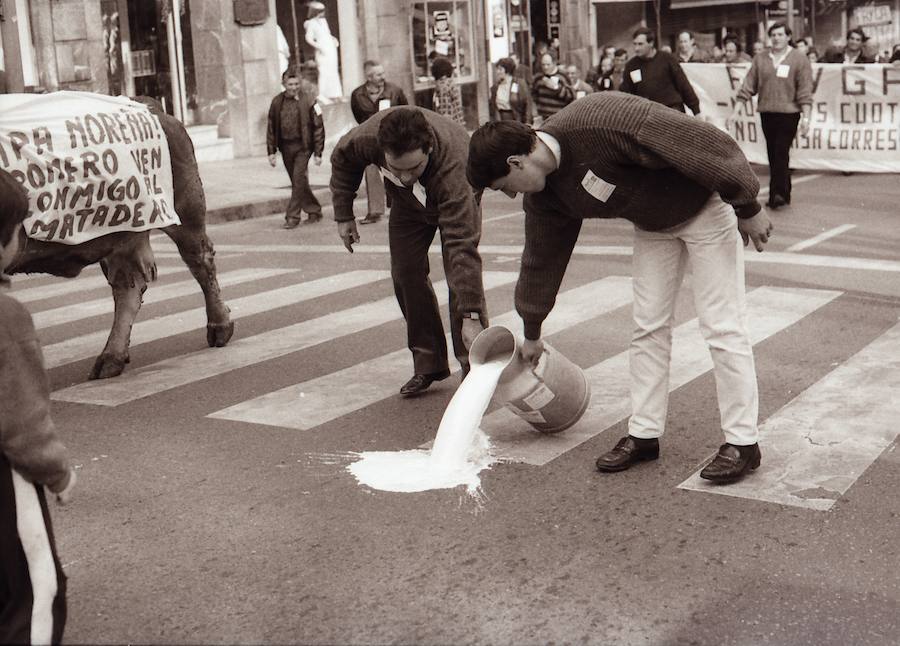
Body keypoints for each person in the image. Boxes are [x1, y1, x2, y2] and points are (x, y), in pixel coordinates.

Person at [466, 92, 772, 483]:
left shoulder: (600, 121)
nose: (510, 195)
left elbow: (704, 140)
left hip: (705, 211)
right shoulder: (546, 196)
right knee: (647, 328)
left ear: (516, 162)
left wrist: (747, 205)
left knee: (722, 326)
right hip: (653, 225)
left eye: (504, 186)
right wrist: (531, 331)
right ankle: (644, 434)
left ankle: (743, 443)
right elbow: (541, 258)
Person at [329, 107, 488, 396]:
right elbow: (342, 159)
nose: (403, 176)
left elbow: (461, 250)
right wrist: (343, 214)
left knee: (459, 274)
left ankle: (474, 371)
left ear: (428, 148)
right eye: (395, 167)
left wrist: (472, 316)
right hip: (406, 205)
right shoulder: (367, 138)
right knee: (405, 272)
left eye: (413, 168)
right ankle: (428, 363)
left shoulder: (456, 167)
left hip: (451, 197)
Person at [0, 177, 76, 645]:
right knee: (35, 592)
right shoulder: (7, 318)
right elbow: (21, 421)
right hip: (6, 487)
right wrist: (58, 473)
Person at [729, 21, 813, 209]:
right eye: (773, 35)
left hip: (789, 114)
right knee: (773, 154)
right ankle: (785, 191)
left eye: (780, 35)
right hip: (767, 112)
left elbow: (805, 92)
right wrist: (736, 112)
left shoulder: (799, 59)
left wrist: (806, 119)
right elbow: (748, 86)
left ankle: (777, 194)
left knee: (781, 151)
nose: (776, 38)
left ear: (788, 37)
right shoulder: (761, 59)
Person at [350, 60, 409, 226]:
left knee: (394, 171)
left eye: (383, 73)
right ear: (369, 77)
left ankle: (399, 207)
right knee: (371, 172)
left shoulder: (395, 91)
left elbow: (406, 111)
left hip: (392, 138)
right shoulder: (357, 95)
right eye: (378, 74)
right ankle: (375, 211)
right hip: (369, 139)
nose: (383, 76)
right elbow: (358, 116)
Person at [267, 67, 326, 229]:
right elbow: (271, 128)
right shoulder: (277, 102)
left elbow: (318, 126)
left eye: (296, 84)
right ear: (283, 84)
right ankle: (314, 210)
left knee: (298, 178)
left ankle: (292, 216)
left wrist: (318, 152)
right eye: (290, 84)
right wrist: (271, 152)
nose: (293, 87)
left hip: (303, 147)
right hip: (285, 147)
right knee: (297, 181)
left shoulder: (310, 100)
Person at [621, 27, 702, 116]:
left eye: (640, 44)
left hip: (672, 110)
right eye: (635, 44)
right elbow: (627, 93)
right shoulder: (631, 65)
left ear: (651, 43)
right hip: (647, 114)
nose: (636, 48)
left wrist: (696, 111)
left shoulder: (667, 59)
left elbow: (683, 85)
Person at [304, 0, 342, 101]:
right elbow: (308, 38)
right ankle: (323, 94)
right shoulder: (311, 23)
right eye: (321, 11)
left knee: (333, 70)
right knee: (324, 71)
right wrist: (319, 46)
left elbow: (327, 34)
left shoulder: (323, 22)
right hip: (322, 49)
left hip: (330, 48)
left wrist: (334, 39)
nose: (323, 13)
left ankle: (335, 94)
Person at [531, 53, 575, 123]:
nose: (545, 67)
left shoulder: (563, 76)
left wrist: (556, 88)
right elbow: (533, 96)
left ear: (554, 63)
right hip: (543, 118)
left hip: (560, 118)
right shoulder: (538, 78)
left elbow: (571, 96)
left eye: (548, 64)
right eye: (543, 64)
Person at [490, 57, 532, 124]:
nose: (497, 72)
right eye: (497, 69)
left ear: (508, 70)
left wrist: (528, 122)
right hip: (500, 121)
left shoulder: (519, 83)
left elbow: (527, 103)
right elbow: (492, 108)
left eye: (500, 69)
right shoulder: (495, 87)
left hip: (515, 119)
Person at [431, 56, 465, 126]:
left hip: (451, 124)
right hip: (457, 121)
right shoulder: (450, 83)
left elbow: (445, 111)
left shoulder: (442, 87)